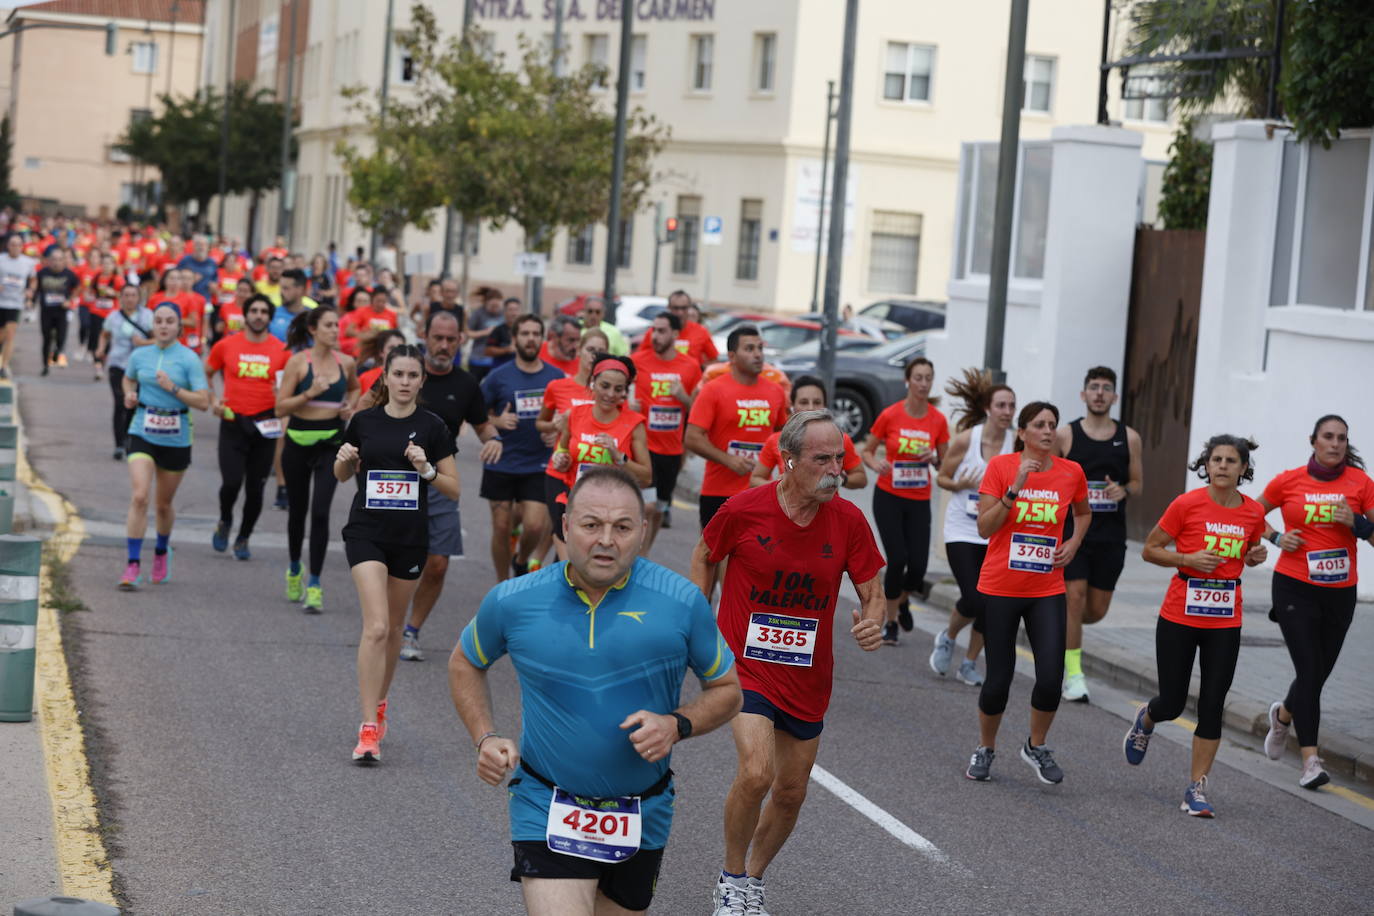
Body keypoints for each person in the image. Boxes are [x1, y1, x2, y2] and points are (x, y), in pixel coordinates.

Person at [451, 467, 742, 916]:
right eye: (591, 525)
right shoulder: (514, 600)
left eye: (622, 527)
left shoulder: (681, 602)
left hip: (642, 811)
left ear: (643, 531)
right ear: (565, 526)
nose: (606, 539)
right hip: (545, 802)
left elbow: (727, 690)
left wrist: (676, 724)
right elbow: (466, 662)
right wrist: (486, 737)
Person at [691, 410, 885, 916]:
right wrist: (697, 620)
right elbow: (704, 554)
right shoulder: (744, 509)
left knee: (791, 791)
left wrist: (874, 618)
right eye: (823, 460)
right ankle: (731, 879)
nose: (836, 470)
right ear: (789, 460)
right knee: (757, 773)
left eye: (840, 459)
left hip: (807, 675)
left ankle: (753, 878)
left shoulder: (848, 520)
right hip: (745, 666)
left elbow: (872, 588)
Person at [1122, 435, 1268, 817]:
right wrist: (1188, 558)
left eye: (1230, 460)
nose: (1222, 465)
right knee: (1172, 702)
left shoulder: (1252, 513)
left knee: (1212, 705)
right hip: (1179, 616)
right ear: (1207, 465)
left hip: (1225, 618)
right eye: (1216, 459)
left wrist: (1255, 556)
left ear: (1243, 469)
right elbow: (1150, 549)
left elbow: (1249, 553)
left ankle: (1196, 788)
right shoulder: (1186, 504)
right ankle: (1147, 718)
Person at [335, 344, 460, 762]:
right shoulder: (364, 422)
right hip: (366, 532)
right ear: (384, 378)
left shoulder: (433, 426)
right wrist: (345, 458)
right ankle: (368, 728)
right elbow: (341, 473)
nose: (405, 382)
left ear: (421, 381)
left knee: (392, 630)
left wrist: (426, 470)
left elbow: (454, 488)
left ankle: (381, 700)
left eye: (412, 375)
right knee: (375, 626)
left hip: (409, 538)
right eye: (398, 374)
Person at [965, 402, 1090, 785]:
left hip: (1046, 588)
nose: (1048, 431)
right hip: (1001, 586)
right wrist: (1015, 487)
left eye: (1053, 424)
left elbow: (1083, 513)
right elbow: (985, 528)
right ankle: (986, 747)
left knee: (1051, 677)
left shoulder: (1071, 472)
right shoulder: (1002, 467)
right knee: (998, 680)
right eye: (1039, 425)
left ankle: (1036, 745)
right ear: (1023, 433)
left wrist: (1073, 542)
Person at [1258, 415, 1374, 789]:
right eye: (1328, 437)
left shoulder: (1361, 484)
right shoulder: (1289, 480)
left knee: (1318, 673)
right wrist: (1276, 539)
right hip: (1294, 587)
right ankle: (1310, 760)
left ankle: (1284, 715)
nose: (1335, 444)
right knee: (1309, 670)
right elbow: (1249, 514)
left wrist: (1357, 523)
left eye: (1341, 438)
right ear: (1313, 441)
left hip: (1340, 591)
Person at [386, 312, 503, 662]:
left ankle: (412, 630)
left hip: (438, 480)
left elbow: (483, 425)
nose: (444, 345)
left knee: (437, 564)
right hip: (396, 482)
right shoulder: (406, 375)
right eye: (438, 337)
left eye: (451, 339)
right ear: (424, 335)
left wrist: (494, 439)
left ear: (461, 340)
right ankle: (388, 625)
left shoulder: (466, 385)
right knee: (392, 560)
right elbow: (371, 413)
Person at [1056, 366, 1143, 703]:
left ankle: (1061, 626)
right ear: (1083, 394)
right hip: (1074, 533)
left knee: (1095, 610)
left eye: (1106, 388)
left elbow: (1138, 482)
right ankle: (1074, 674)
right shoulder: (1067, 435)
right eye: (1093, 387)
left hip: (1110, 536)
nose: (1099, 393)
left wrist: (1124, 490)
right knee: (1074, 598)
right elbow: (1052, 474)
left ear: (1114, 397)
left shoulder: (1129, 437)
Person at [931, 371, 1016, 687]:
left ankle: (968, 663)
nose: (1007, 412)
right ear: (988, 409)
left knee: (991, 604)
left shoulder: (1015, 443)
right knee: (974, 597)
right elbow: (942, 477)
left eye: (1011, 406)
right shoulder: (969, 439)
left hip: (995, 532)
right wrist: (960, 483)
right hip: (962, 530)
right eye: (1001, 406)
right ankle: (949, 635)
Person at [117, 302, 211, 589]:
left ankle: (161, 550)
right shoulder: (140, 354)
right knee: (140, 497)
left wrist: (173, 388)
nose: (164, 325)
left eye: (170, 321)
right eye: (159, 320)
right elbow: (127, 379)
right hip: (142, 430)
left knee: (163, 504)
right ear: (153, 324)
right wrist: (129, 395)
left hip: (177, 435)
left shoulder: (189, 359)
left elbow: (204, 402)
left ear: (179, 327)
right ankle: (132, 564)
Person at [859, 357, 951, 645]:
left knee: (919, 567)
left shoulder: (938, 420)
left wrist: (934, 458)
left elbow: (945, 463)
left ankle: (903, 600)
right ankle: (890, 622)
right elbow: (868, 450)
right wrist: (876, 465)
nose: (923, 384)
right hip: (888, 496)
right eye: (918, 378)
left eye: (928, 378)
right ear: (908, 381)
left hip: (919, 499)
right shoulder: (891, 415)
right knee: (898, 559)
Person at [276, 306, 360, 612]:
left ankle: (314, 582)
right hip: (298, 444)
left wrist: (349, 407)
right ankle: (295, 566)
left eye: (337, 325)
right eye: (328, 325)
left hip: (331, 445)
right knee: (298, 513)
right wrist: (308, 393)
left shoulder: (346, 362)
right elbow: (280, 408)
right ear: (313, 329)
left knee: (321, 512)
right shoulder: (298, 362)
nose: (335, 330)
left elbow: (355, 388)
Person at [479, 313, 563, 580]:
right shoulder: (497, 377)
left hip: (538, 462)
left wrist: (557, 432)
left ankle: (522, 558)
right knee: (501, 528)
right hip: (502, 460)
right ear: (515, 339)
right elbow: (476, 415)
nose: (530, 339)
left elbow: (569, 417)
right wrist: (496, 419)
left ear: (543, 339)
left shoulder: (555, 377)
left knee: (536, 526)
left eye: (535, 334)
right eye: (525, 334)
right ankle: (502, 585)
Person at [204, 294, 288, 561]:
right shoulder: (226, 345)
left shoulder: (281, 350)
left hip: (266, 423)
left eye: (264, 311)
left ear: (270, 317)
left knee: (256, 487)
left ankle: (244, 537)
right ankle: (225, 519)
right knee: (231, 482)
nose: (259, 315)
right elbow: (206, 371)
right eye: (254, 310)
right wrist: (213, 399)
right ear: (245, 314)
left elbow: (288, 387)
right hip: (233, 421)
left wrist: (283, 400)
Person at [685, 325, 788, 530]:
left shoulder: (776, 391)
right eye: (749, 349)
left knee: (756, 558)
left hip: (761, 491)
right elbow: (692, 438)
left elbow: (783, 436)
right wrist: (728, 460)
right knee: (713, 559)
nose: (758, 354)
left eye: (760, 348)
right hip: (718, 491)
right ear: (732, 356)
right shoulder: (713, 390)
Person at [632, 311, 702, 551]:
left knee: (660, 507)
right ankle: (637, 558)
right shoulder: (638, 361)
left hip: (672, 449)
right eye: (654, 330)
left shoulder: (690, 366)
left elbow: (699, 410)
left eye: (662, 331)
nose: (655, 336)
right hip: (643, 446)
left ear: (674, 334)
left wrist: (683, 397)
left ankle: (644, 554)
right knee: (647, 506)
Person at [536, 328, 606, 562]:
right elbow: (541, 423)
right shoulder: (558, 386)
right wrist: (554, 425)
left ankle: (564, 582)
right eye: (590, 350)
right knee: (561, 530)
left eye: (601, 352)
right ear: (579, 351)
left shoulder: (608, 394)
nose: (595, 356)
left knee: (580, 537)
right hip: (560, 470)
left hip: (592, 475)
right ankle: (559, 575)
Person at [550, 354, 650, 502]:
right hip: (576, 502)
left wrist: (619, 457)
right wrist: (560, 459)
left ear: (624, 391)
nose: (610, 394)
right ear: (593, 382)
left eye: (618, 389)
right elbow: (562, 451)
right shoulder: (574, 414)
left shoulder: (634, 424)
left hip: (613, 507)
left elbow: (646, 478)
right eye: (605, 386)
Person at [748, 374, 865, 490]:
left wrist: (839, 479)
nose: (810, 408)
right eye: (804, 402)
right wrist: (780, 484)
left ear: (825, 406)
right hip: (787, 508)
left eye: (817, 402)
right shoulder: (776, 440)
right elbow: (755, 480)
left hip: (827, 506)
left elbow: (861, 479)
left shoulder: (840, 439)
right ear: (792, 407)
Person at [96, 284, 154, 460]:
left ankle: (130, 439)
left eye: (133, 295)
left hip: (140, 366)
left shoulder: (147, 316)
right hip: (118, 364)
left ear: (139, 297)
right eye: (126, 295)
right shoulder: (114, 316)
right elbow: (104, 334)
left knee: (133, 404)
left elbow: (158, 339)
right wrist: (100, 349)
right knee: (120, 402)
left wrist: (142, 343)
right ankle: (119, 444)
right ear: (121, 297)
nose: (130, 299)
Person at [636, 290, 718, 368]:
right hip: (660, 378)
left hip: (690, 379)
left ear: (689, 308)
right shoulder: (656, 331)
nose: (680, 312)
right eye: (676, 308)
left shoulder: (701, 331)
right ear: (668, 308)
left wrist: (700, 370)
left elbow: (713, 360)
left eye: (683, 308)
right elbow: (641, 357)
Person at [35, 246, 80, 374]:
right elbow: (35, 288)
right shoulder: (42, 273)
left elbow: (77, 288)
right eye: (54, 259)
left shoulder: (69, 274)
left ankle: (57, 352)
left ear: (64, 261)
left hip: (62, 311)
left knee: (61, 338)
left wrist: (69, 300)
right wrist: (31, 300)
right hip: (46, 311)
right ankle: (45, 366)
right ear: (49, 260)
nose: (56, 262)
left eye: (60, 259)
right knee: (46, 338)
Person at [0, 233, 37, 378]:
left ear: (22, 246)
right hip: (1, 302)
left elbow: (33, 280)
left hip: (15, 303)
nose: (15, 247)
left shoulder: (28, 262)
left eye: (18, 245)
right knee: (2, 335)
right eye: (12, 244)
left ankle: (4, 366)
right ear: (7, 246)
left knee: (10, 334)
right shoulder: (1, 260)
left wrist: (31, 290)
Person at [340, 285, 398, 356]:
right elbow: (348, 331)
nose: (380, 304)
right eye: (378, 301)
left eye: (383, 301)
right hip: (365, 352)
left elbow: (396, 335)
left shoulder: (392, 315)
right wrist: (364, 335)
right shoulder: (362, 311)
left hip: (384, 353)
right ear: (372, 298)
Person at [465, 286, 505, 381]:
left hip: (497, 360)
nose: (495, 309)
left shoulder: (504, 314)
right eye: (492, 306)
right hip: (478, 359)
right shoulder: (479, 313)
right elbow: (468, 333)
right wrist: (486, 332)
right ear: (486, 303)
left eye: (497, 306)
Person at [268, 268, 318, 342]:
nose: (281, 292)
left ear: (300, 289)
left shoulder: (313, 317)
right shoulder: (272, 314)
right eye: (281, 288)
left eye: (286, 288)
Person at [357, 329, 406, 393]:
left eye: (400, 348)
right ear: (381, 352)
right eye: (391, 348)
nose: (396, 351)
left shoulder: (413, 377)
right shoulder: (365, 378)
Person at [483, 297, 524, 369]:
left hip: (521, 371)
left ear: (520, 312)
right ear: (504, 312)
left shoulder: (526, 331)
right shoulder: (498, 330)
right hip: (500, 370)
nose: (514, 313)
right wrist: (507, 349)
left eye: (516, 310)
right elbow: (487, 351)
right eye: (510, 310)